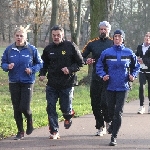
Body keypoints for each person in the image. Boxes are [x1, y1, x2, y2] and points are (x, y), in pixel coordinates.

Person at [39, 25, 84, 140]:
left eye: (58, 35)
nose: (56, 37)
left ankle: (69, 115)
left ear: (62, 35)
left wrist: (70, 69)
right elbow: (43, 64)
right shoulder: (48, 49)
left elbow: (80, 63)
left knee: (65, 109)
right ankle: (54, 131)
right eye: (54, 35)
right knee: (50, 107)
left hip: (67, 84)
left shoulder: (70, 46)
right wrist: (42, 73)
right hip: (52, 84)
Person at [96, 29, 140, 146]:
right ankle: (111, 125)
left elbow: (136, 67)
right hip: (110, 86)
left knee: (118, 112)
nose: (117, 39)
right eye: (115, 37)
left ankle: (114, 136)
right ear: (113, 38)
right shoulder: (106, 52)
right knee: (110, 111)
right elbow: (99, 66)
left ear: (123, 39)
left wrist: (133, 75)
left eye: (119, 37)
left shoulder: (129, 53)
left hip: (123, 86)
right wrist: (103, 75)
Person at [1, 25, 43, 140]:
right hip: (14, 81)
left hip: (27, 81)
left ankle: (29, 120)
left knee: (24, 107)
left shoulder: (31, 49)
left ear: (25, 37)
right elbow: (3, 63)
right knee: (16, 108)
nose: (19, 38)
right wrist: (7, 66)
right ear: (14, 36)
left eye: (21, 36)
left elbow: (40, 63)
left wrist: (32, 70)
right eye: (17, 36)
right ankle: (20, 131)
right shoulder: (9, 49)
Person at [81, 21, 113, 136]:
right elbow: (81, 56)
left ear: (109, 30)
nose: (103, 31)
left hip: (109, 78)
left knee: (105, 102)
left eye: (105, 29)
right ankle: (100, 126)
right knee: (95, 103)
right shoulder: (92, 43)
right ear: (99, 30)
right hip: (96, 77)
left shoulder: (113, 43)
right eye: (101, 29)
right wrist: (86, 61)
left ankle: (108, 120)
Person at [135, 32, 150, 114]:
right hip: (142, 71)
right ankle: (142, 106)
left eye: (149, 36)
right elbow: (136, 55)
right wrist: (136, 58)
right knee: (141, 87)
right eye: (146, 36)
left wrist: (143, 60)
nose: (147, 37)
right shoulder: (140, 46)